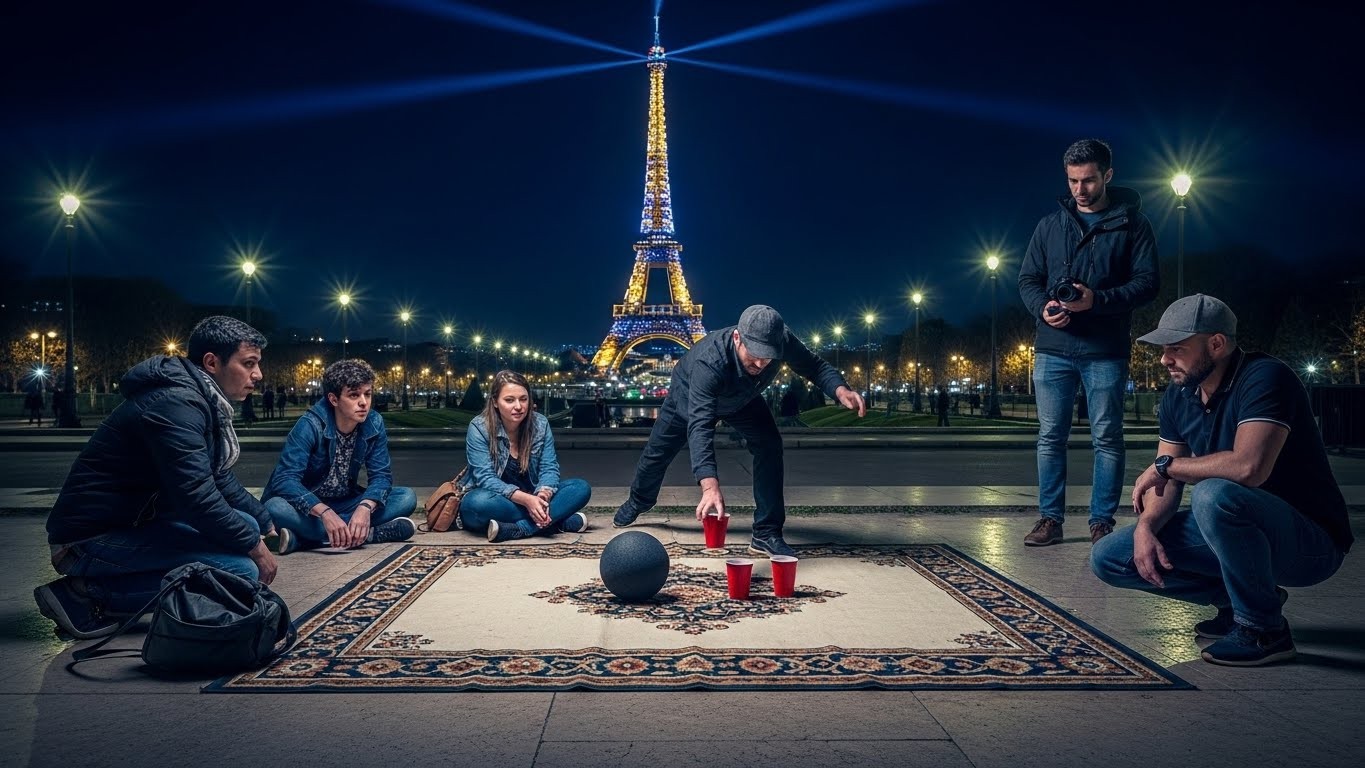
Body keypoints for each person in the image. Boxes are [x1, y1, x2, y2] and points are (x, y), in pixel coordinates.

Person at [1091, 294, 1352, 665]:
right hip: (1237, 529)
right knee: (1110, 557)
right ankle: (1239, 601)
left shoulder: (1265, 377)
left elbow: (1249, 468)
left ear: (1216, 344)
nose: (1165, 359)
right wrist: (1147, 526)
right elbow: (1166, 481)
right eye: (1164, 349)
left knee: (1214, 494)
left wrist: (1168, 466)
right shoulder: (1179, 394)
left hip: (1310, 543)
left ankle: (1264, 630)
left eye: (1177, 348)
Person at [35, 316, 279, 640]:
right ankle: (85, 594)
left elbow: (218, 479)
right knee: (239, 569)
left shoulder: (196, 398)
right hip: (88, 540)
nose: (258, 374)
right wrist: (254, 546)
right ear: (211, 362)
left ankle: (104, 587)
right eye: (248, 364)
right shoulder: (176, 404)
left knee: (247, 525)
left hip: (129, 524)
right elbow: (196, 498)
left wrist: (263, 521)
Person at [613, 305, 866, 557]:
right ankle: (640, 500)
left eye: (767, 357)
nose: (760, 363)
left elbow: (814, 366)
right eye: (754, 354)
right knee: (656, 455)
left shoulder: (782, 340)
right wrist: (709, 486)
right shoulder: (708, 362)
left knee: (770, 445)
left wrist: (840, 390)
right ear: (737, 338)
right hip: (689, 399)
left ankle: (766, 533)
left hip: (742, 398)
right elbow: (700, 426)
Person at [1017, 137, 1159, 547]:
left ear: (1108, 175)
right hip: (1053, 346)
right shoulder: (1049, 225)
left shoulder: (1134, 225)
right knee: (1050, 438)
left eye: (1089, 180)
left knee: (1107, 438)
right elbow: (1027, 280)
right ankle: (1050, 520)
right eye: (1073, 181)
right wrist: (1043, 308)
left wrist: (1097, 301)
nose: (1080, 189)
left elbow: (1148, 283)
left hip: (1105, 348)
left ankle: (1102, 524)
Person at [262, 359, 417, 554]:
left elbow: (381, 476)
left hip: (344, 501)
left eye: (368, 394)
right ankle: (369, 534)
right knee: (274, 507)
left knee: (406, 498)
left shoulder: (374, 422)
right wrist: (325, 512)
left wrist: (365, 508)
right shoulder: (310, 425)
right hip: (309, 506)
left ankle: (305, 539)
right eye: (354, 395)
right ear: (333, 399)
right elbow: (285, 480)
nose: (364, 402)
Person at [458, 370, 592, 542]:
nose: (518, 406)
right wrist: (527, 501)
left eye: (523, 399)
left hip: (532, 495)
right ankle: (557, 522)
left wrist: (543, 495)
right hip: (497, 499)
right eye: (509, 400)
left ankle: (520, 529)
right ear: (495, 402)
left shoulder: (540, 424)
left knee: (580, 487)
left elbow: (549, 468)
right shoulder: (479, 428)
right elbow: (485, 478)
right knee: (476, 503)